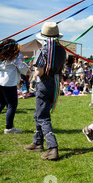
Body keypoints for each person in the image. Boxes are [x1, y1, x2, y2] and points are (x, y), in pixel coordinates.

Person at [23, 22, 67, 160]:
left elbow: (40, 71)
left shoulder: (43, 50)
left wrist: (32, 78)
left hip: (43, 84)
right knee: (39, 113)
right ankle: (37, 142)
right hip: (54, 84)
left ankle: (52, 148)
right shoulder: (62, 50)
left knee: (43, 117)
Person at [0, 39, 29, 134]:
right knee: (12, 104)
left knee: (0, 103)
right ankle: (9, 128)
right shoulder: (16, 56)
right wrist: (26, 66)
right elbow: (23, 69)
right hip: (8, 83)